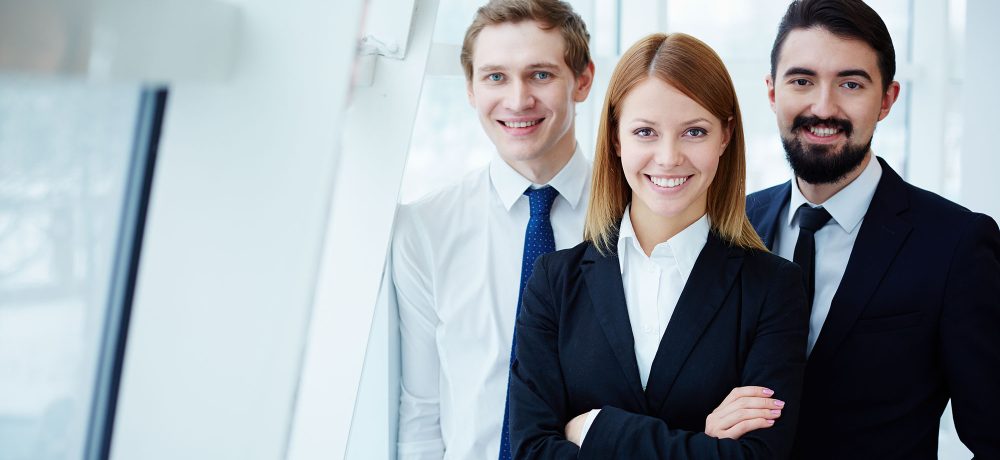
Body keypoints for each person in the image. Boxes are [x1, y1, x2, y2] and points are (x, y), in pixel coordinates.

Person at [509, 32, 809, 459]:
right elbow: (531, 451)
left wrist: (596, 429)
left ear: (725, 136)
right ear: (616, 138)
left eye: (694, 132)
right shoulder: (554, 283)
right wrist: (702, 443)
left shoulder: (772, 289)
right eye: (646, 131)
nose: (668, 157)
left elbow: (759, 457)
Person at [747, 0, 1000, 458]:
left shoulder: (956, 245)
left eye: (850, 83)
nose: (823, 107)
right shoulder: (733, 225)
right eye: (802, 81)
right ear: (771, 92)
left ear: (887, 99)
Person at [391, 1, 595, 458]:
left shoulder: (633, 216)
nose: (518, 100)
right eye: (495, 77)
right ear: (470, 88)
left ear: (581, 81)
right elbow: (422, 412)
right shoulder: (425, 228)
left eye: (540, 74)